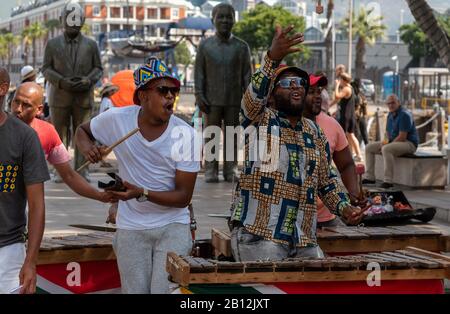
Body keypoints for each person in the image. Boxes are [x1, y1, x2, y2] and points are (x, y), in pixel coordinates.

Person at [229, 26, 364, 262]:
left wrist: (345, 208)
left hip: (303, 238)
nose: (296, 86)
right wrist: (272, 59)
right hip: (261, 235)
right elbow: (252, 99)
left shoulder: (314, 132)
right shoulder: (259, 120)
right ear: (271, 95)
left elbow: (328, 181)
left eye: (300, 82)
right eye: (287, 82)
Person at [75, 57, 200, 293]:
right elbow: (82, 131)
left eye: (174, 90)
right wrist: (88, 150)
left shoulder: (186, 135)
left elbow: (183, 196)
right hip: (131, 227)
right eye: (163, 90)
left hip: (172, 226)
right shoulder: (117, 119)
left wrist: (141, 192)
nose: (171, 96)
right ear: (143, 96)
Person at [11, 82, 113, 203]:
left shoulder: (47, 132)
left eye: (26, 105)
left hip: (20, 209)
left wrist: (100, 196)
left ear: (39, 109)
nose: (18, 109)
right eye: (16, 101)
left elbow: (69, 175)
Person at [0, 67, 50, 294]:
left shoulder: (24, 137)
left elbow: (37, 205)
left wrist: (30, 261)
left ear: (2, 88)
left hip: (8, 253)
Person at [42, 2, 103, 180]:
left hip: (83, 97)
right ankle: (60, 170)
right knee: (58, 135)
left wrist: (88, 80)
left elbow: (98, 68)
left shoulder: (91, 45)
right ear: (62, 20)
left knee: (83, 133)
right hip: (59, 97)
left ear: (82, 20)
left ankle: (82, 169)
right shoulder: (52, 45)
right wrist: (61, 81)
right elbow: (45, 68)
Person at [194, 2, 252, 183]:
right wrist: (198, 94)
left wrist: (249, 99)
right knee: (211, 135)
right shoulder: (205, 46)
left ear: (234, 20)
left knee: (232, 137)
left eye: (229, 17)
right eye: (221, 17)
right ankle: (210, 170)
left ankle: (230, 169)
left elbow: (247, 77)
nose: (225, 20)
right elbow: (199, 73)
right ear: (213, 19)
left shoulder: (242, 47)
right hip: (211, 100)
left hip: (234, 100)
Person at [303, 73, 364, 228]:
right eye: (311, 92)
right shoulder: (277, 128)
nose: (318, 96)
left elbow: (345, 166)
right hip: (290, 222)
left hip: (325, 218)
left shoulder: (331, 125)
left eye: (319, 91)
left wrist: (352, 196)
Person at [363, 94, 419, 189]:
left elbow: (402, 136)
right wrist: (383, 143)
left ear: (398, 103)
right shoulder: (390, 114)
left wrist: (385, 146)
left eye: (393, 103)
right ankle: (370, 177)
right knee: (369, 147)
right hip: (395, 142)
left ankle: (388, 181)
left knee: (386, 149)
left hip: (409, 143)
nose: (390, 105)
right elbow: (387, 135)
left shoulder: (404, 114)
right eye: (388, 103)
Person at [334, 72, 363, 161]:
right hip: (349, 115)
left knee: (350, 135)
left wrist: (337, 85)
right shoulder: (350, 88)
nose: (339, 81)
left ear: (343, 80)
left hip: (347, 116)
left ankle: (358, 155)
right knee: (350, 135)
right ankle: (353, 154)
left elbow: (337, 96)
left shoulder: (346, 89)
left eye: (340, 80)